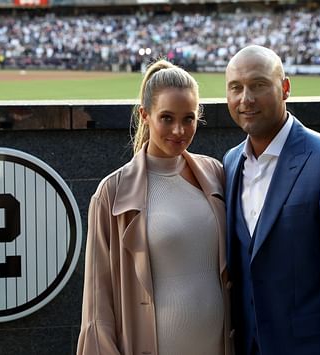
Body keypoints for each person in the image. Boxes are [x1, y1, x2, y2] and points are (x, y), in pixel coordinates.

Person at [222, 44, 320, 355]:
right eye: (236, 87)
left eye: (259, 85)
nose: (245, 98)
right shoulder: (230, 162)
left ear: (285, 88)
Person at [77, 59, 234, 355]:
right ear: (145, 115)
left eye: (188, 118)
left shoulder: (215, 173)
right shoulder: (111, 194)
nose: (179, 130)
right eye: (166, 118)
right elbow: (97, 307)